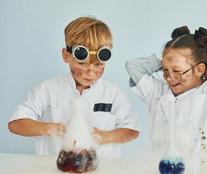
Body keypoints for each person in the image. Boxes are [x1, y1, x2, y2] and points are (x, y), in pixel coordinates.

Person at [8, 16, 139, 158]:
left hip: (102, 169)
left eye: (98, 64)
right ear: (66, 55)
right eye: (82, 63)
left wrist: (103, 136)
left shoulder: (113, 94)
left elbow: (131, 131)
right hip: (53, 169)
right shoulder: (47, 89)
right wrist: (55, 129)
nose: (90, 71)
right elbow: (16, 124)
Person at [125, 26, 207, 157]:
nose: (170, 78)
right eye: (165, 71)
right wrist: (170, 60)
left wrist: (206, 61)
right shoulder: (158, 92)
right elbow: (132, 66)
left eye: (177, 72)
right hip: (164, 170)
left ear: (199, 70)